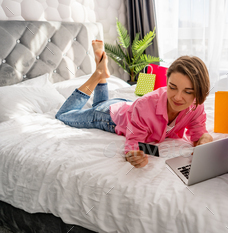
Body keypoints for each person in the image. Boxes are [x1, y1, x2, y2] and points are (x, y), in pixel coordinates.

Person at [56, 40, 213, 168]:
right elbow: (133, 142)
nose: (178, 97)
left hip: (129, 107)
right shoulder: (146, 106)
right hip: (108, 117)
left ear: (198, 92)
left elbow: (198, 132)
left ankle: (102, 73)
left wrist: (204, 140)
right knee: (63, 115)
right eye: (172, 87)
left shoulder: (195, 105)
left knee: (102, 102)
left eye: (188, 91)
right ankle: (97, 75)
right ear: (167, 82)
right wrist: (134, 155)